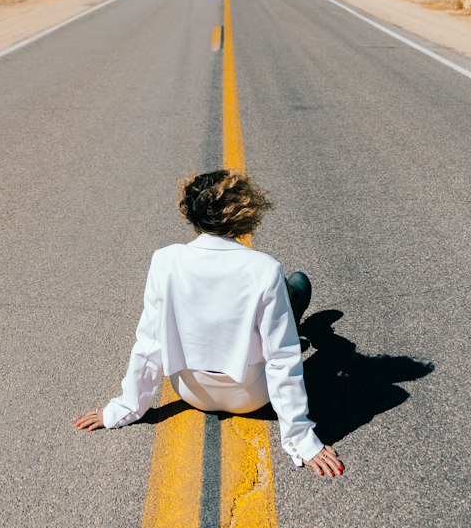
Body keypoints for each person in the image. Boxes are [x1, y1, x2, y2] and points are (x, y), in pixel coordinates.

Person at [74, 169, 345, 477]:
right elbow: (282, 359)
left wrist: (124, 408)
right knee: (293, 286)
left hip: (191, 392)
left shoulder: (165, 261)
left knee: (276, 294)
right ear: (244, 212)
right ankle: (298, 306)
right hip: (250, 397)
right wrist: (300, 440)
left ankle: (301, 315)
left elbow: (149, 344)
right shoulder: (264, 270)